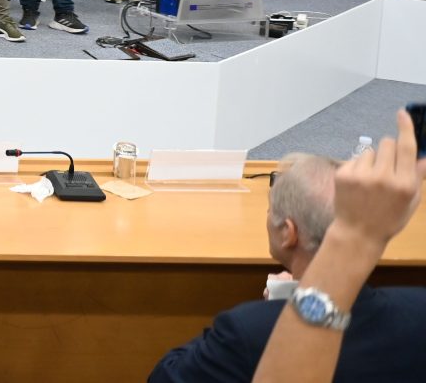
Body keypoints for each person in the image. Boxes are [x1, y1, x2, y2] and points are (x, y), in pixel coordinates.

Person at [152, 111, 426, 383]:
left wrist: (285, 309)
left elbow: (164, 376)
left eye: (270, 210)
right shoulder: (418, 311)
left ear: (288, 233)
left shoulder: (247, 331)